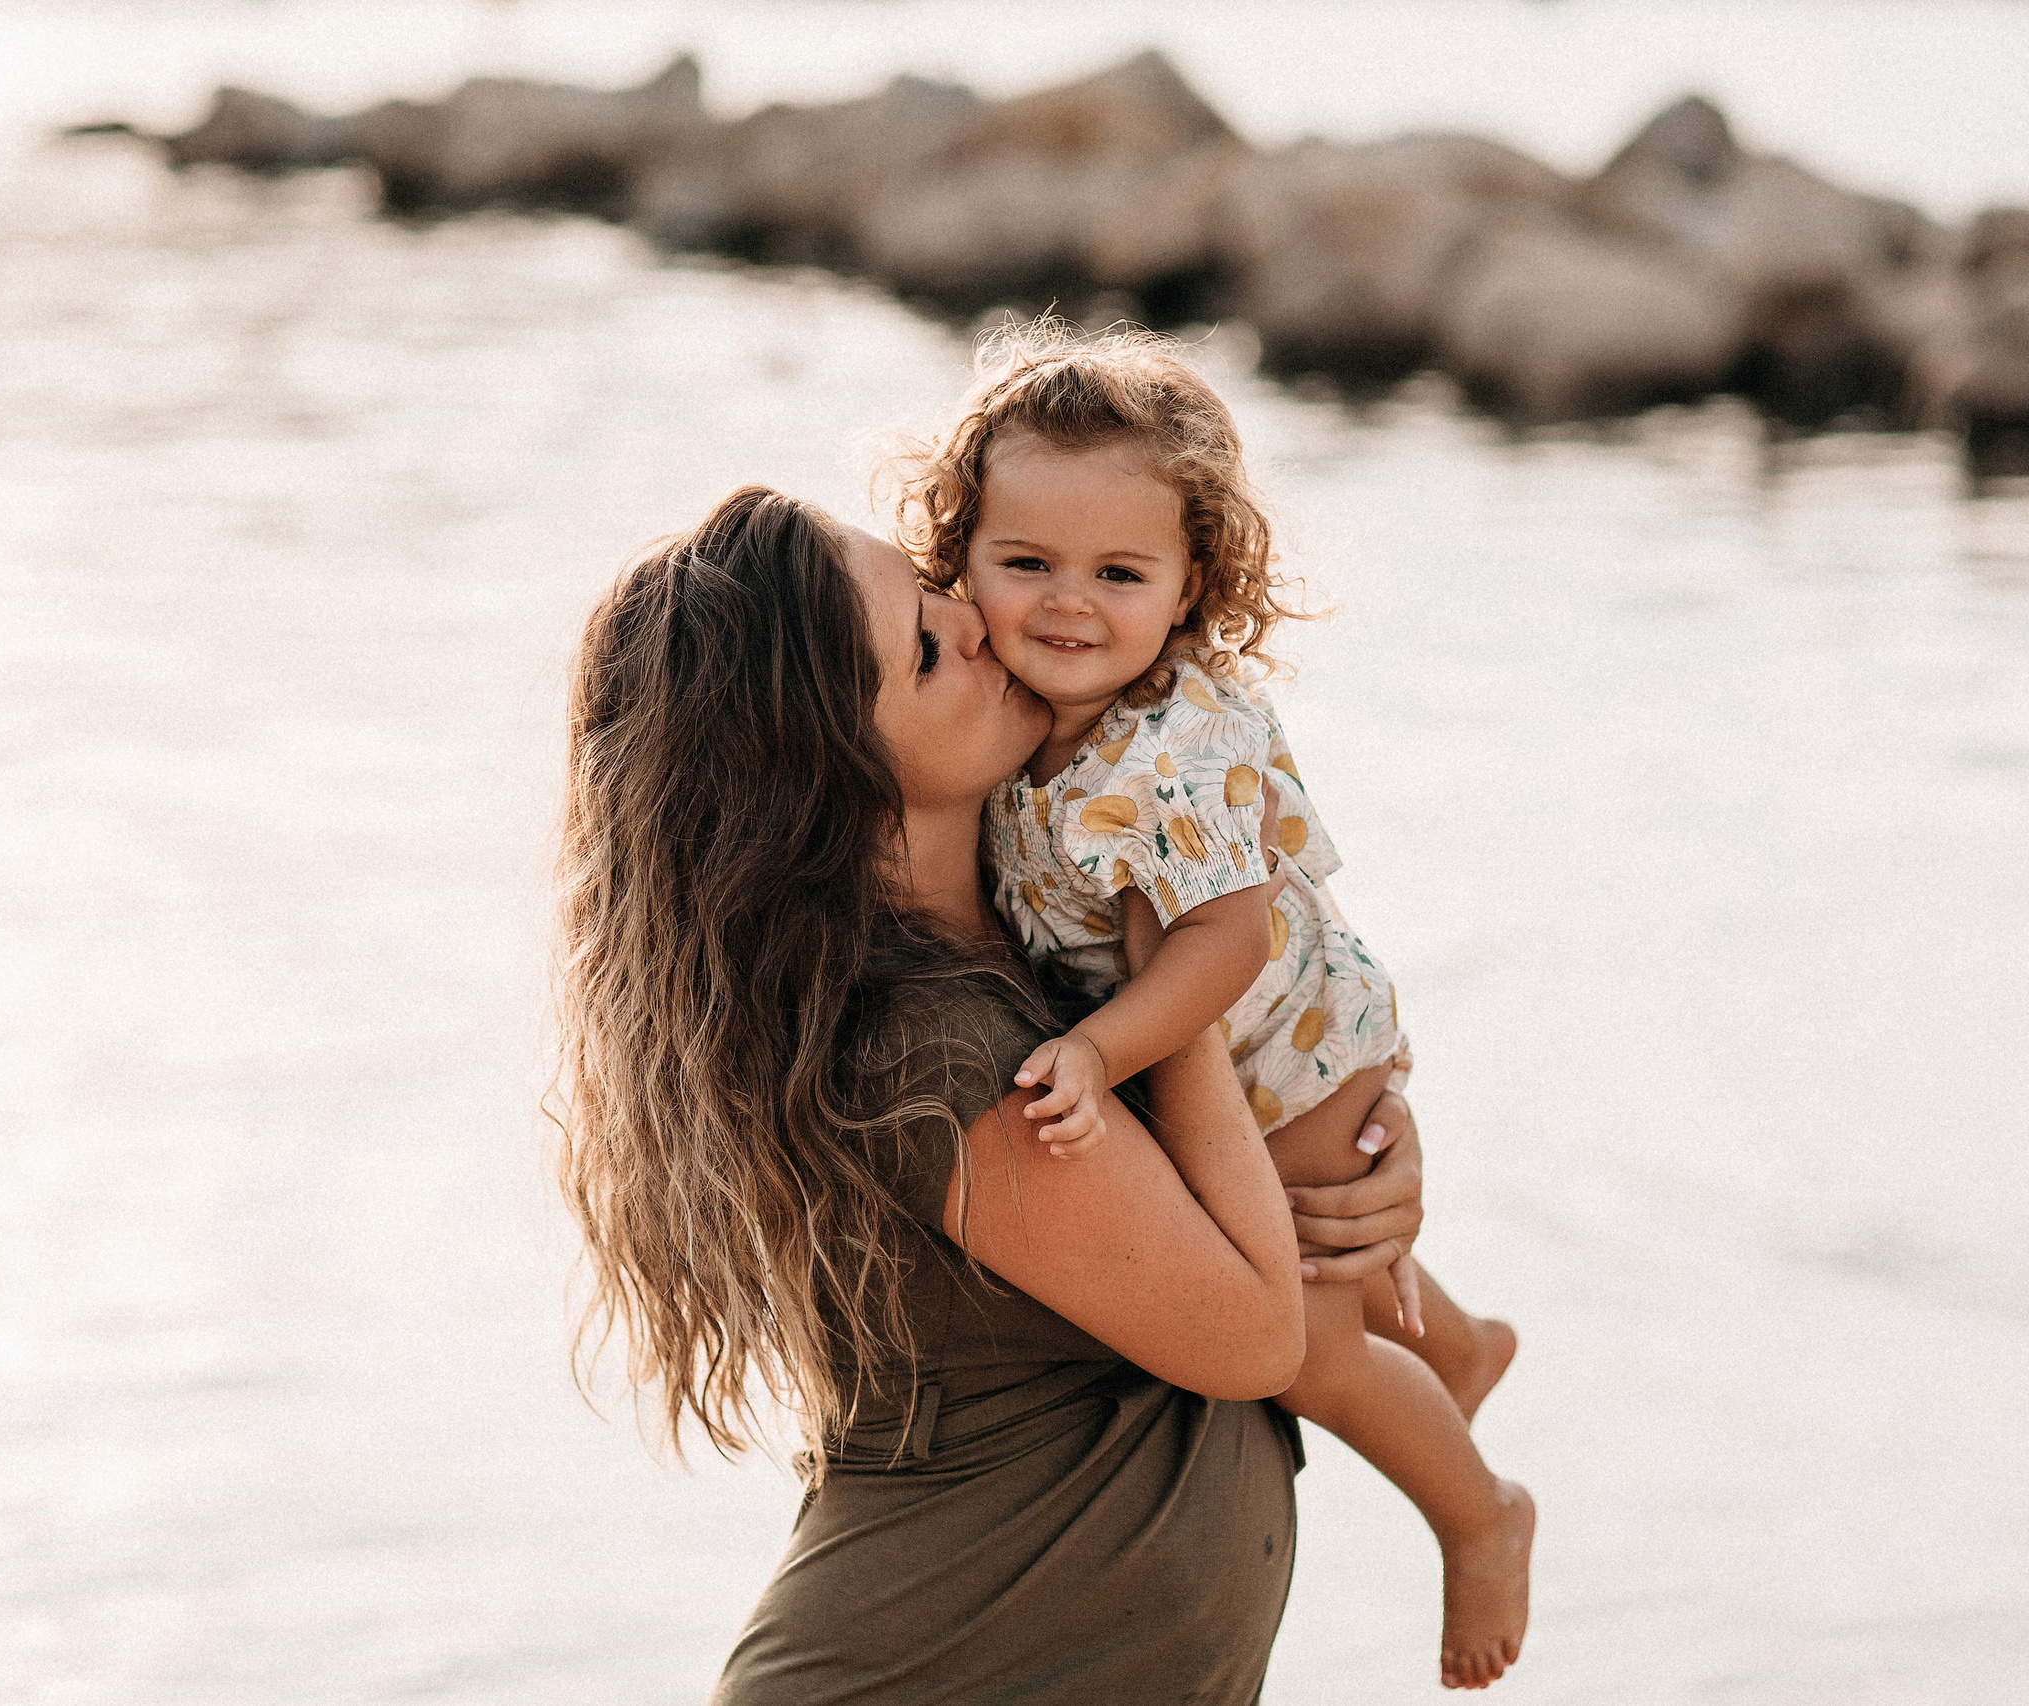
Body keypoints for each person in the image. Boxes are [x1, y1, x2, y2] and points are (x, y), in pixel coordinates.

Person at [552, 486, 1430, 1704]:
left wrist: (1365, 1141)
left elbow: (1232, 1163)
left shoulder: (1033, 943)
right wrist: (1171, 999)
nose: (972, 617)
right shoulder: (927, 1059)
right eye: (924, 646)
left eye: (934, 589)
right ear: (826, 770)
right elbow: (1252, 1334)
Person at [897, 325, 1534, 1689]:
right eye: (1025, 563)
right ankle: (1462, 1344)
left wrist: (1093, 1046)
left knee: (1310, 1348)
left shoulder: (1164, 750)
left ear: (1191, 587)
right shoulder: (1030, 713)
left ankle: (1479, 1512)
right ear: (960, 559)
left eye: (1119, 574)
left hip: (1288, 1057)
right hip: (1263, 1056)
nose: (1068, 605)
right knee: (1334, 1255)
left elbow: (1224, 941)